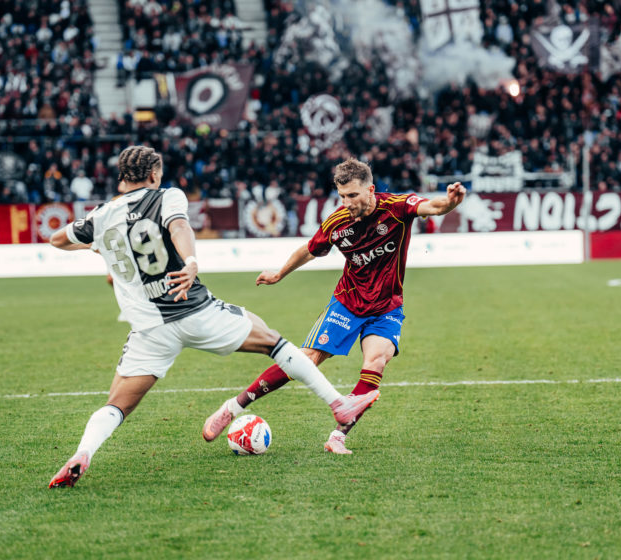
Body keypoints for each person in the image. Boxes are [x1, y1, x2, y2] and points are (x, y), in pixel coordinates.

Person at [47, 146, 379, 488]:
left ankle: (83, 453)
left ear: (122, 177)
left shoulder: (102, 216)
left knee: (117, 405)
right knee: (273, 342)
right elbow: (179, 228)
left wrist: (98, 243)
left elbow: (57, 238)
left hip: (150, 331)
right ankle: (339, 405)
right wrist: (190, 261)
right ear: (154, 175)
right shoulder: (166, 195)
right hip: (194, 311)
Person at [203, 158, 467, 454]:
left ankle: (338, 436)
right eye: (342, 196)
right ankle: (232, 408)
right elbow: (310, 250)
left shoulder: (396, 206)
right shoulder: (337, 222)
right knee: (306, 359)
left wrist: (450, 202)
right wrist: (279, 273)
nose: (347, 202)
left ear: (371, 190)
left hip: (386, 308)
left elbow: (432, 207)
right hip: (347, 303)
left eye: (353, 195)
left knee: (375, 363)